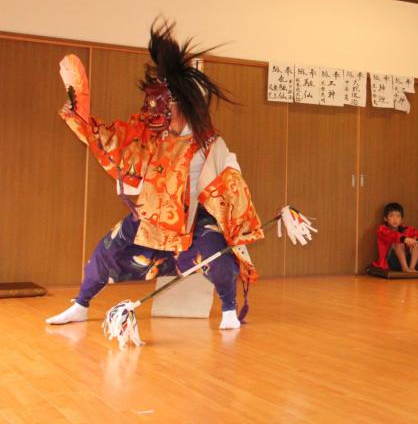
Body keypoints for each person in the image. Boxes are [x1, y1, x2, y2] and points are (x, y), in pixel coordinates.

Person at [46, 21, 263, 330]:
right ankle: (80, 305)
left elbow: (228, 185)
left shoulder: (209, 142)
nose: (154, 112)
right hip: (150, 218)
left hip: (191, 222)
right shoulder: (145, 133)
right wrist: (79, 112)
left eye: (162, 105)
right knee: (107, 252)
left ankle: (229, 310)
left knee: (217, 255)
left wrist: (238, 224)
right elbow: (105, 138)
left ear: (181, 105)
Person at [372, 202, 418, 273]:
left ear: (401, 219)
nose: (395, 219)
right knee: (398, 241)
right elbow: (393, 236)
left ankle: (412, 268)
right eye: (391, 216)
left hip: (406, 260)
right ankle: (405, 269)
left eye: (398, 216)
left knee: (417, 242)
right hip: (390, 262)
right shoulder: (382, 229)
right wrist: (405, 239)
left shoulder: (406, 229)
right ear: (385, 218)